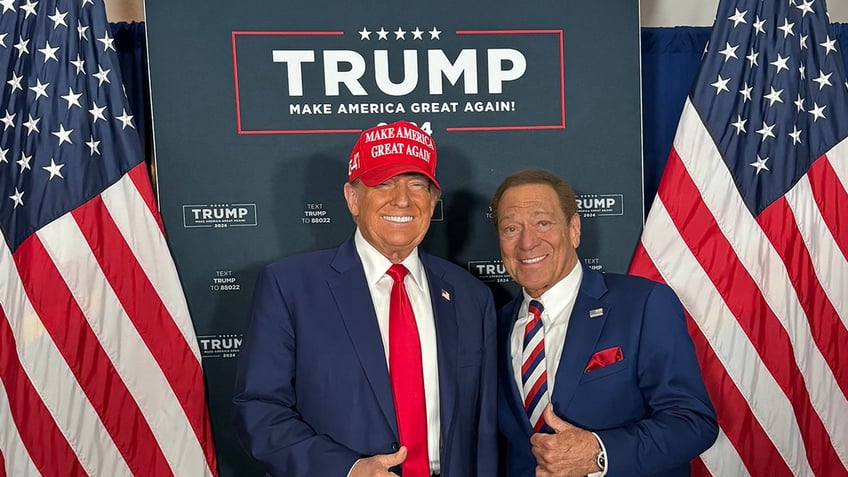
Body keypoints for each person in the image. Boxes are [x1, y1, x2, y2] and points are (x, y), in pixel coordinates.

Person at [233, 120, 497, 477]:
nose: (402, 199)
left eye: (417, 185)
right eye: (383, 182)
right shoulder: (289, 286)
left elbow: (483, 431)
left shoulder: (471, 297)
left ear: (434, 202)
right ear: (353, 198)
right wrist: (348, 469)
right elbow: (259, 411)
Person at [491, 169, 718, 477]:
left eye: (543, 222)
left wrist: (599, 453)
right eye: (510, 228)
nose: (527, 242)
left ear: (574, 229)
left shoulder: (643, 304)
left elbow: (693, 422)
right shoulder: (493, 326)